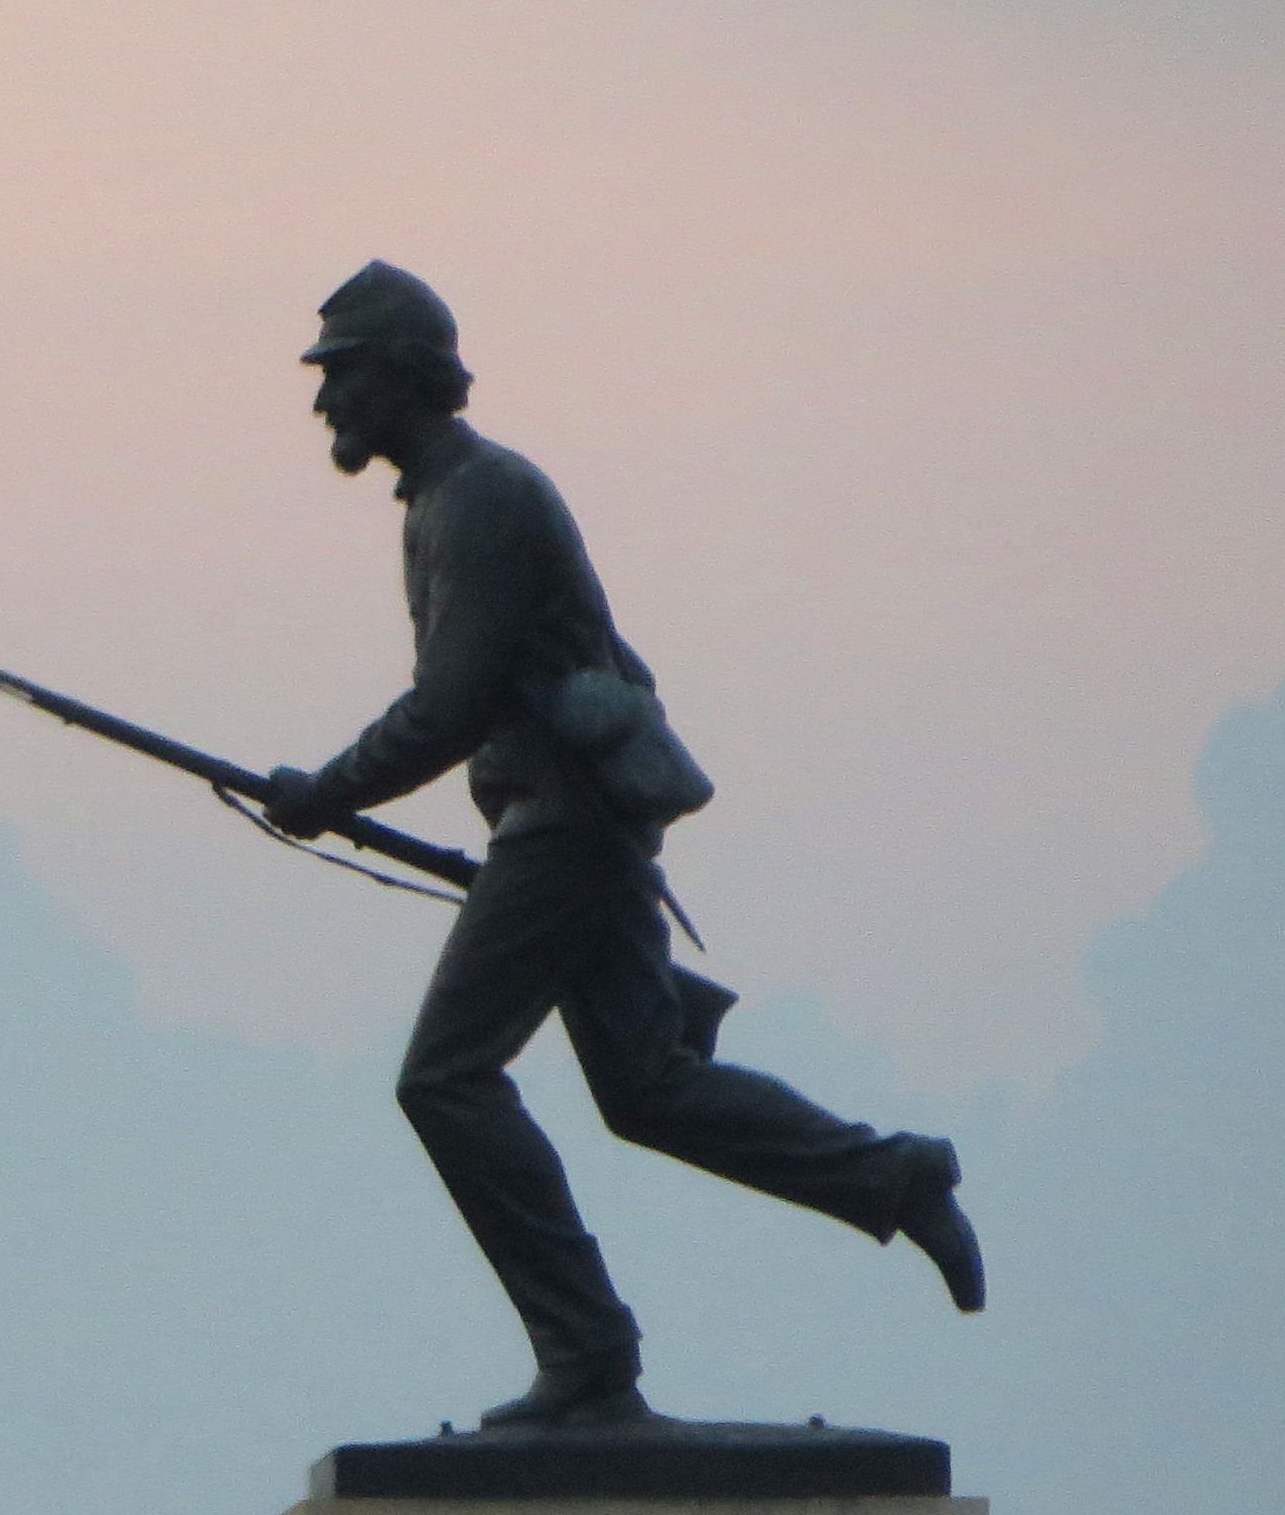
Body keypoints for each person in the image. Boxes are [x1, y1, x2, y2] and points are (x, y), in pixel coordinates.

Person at [262, 261, 982, 1430]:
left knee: (444, 1078)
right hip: (559, 823)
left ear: (400, 373)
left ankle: (587, 1352)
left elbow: (446, 707)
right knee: (649, 1086)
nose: (321, 403)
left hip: (562, 830)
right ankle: (892, 1175)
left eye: (338, 374)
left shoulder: (483, 498)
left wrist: (322, 790)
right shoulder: (447, 500)